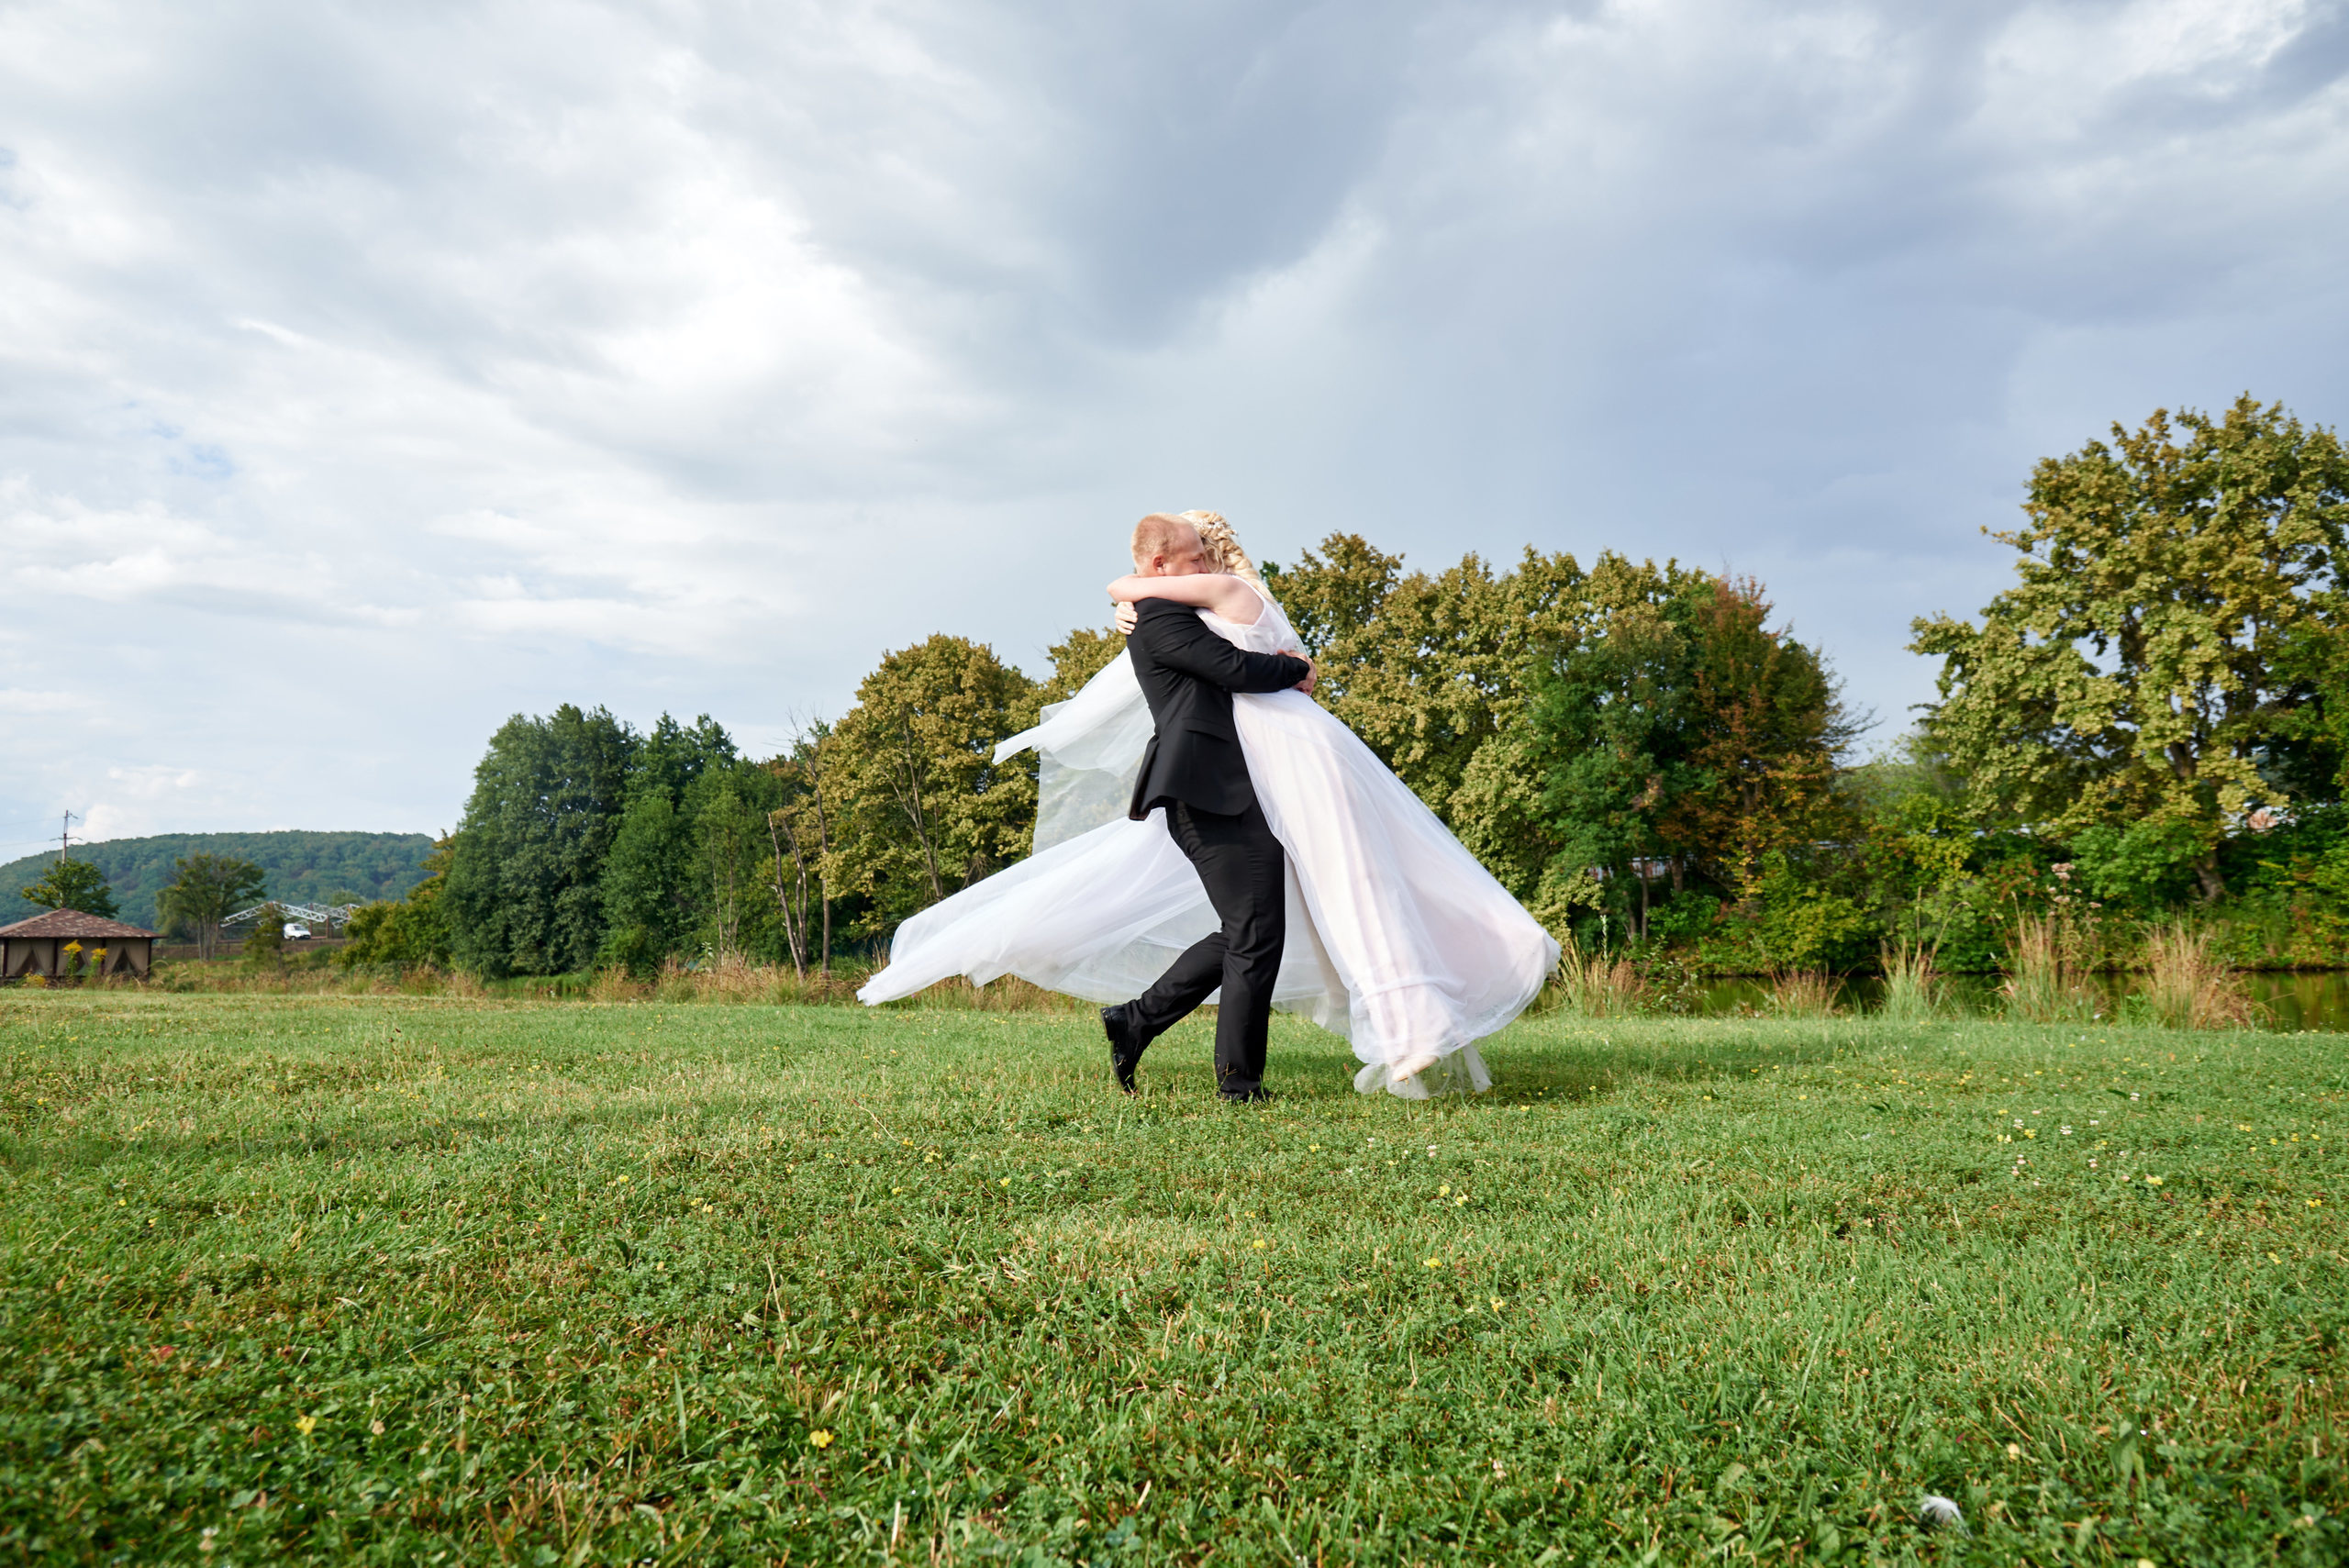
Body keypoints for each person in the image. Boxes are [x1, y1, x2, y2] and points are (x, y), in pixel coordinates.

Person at [858, 511, 1559, 1098]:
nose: (1206, 562)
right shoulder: (1158, 617)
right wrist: (1296, 668)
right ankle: (1233, 1079)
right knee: (1254, 930)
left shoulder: (1177, 606)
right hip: (1204, 789)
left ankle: (1139, 1022)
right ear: (1162, 564)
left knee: (1250, 930)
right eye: (1192, 556)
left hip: (1238, 786)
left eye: (1206, 553)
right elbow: (1231, 668)